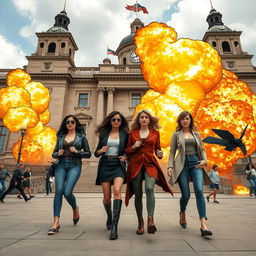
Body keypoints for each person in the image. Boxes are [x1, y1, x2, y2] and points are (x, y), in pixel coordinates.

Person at [125, 110, 173, 235]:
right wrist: (134, 146)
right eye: (142, 117)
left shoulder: (155, 133)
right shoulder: (132, 133)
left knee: (149, 188)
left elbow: (158, 149)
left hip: (150, 163)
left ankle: (150, 220)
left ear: (150, 120)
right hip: (135, 164)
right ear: (138, 120)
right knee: (138, 194)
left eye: (146, 117)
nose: (144, 119)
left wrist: (160, 153)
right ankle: (140, 222)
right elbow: (127, 150)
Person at [167, 111, 212, 237]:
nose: (185, 121)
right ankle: (182, 212)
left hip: (196, 163)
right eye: (182, 119)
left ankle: (203, 224)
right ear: (180, 122)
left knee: (199, 190)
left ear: (190, 120)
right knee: (185, 195)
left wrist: (204, 160)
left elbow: (202, 150)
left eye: (187, 119)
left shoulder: (197, 134)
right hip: (181, 165)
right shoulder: (176, 135)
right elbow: (172, 151)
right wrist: (170, 166)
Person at [48, 115, 91, 235]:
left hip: (74, 165)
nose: (70, 124)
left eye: (72, 122)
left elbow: (88, 154)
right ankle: (56, 222)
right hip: (61, 165)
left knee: (67, 192)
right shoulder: (60, 136)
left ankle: (75, 208)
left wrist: (77, 152)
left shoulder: (82, 137)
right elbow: (54, 153)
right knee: (59, 191)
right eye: (68, 122)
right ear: (65, 124)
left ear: (76, 124)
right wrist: (58, 153)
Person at [95, 111, 129, 240]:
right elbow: (96, 153)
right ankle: (109, 216)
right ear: (110, 121)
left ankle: (115, 226)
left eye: (118, 120)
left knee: (117, 191)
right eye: (114, 119)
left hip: (118, 165)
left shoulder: (125, 135)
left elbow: (129, 150)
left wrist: (126, 156)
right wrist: (101, 150)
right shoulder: (104, 134)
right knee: (107, 198)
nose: (116, 122)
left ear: (121, 122)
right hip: (105, 164)